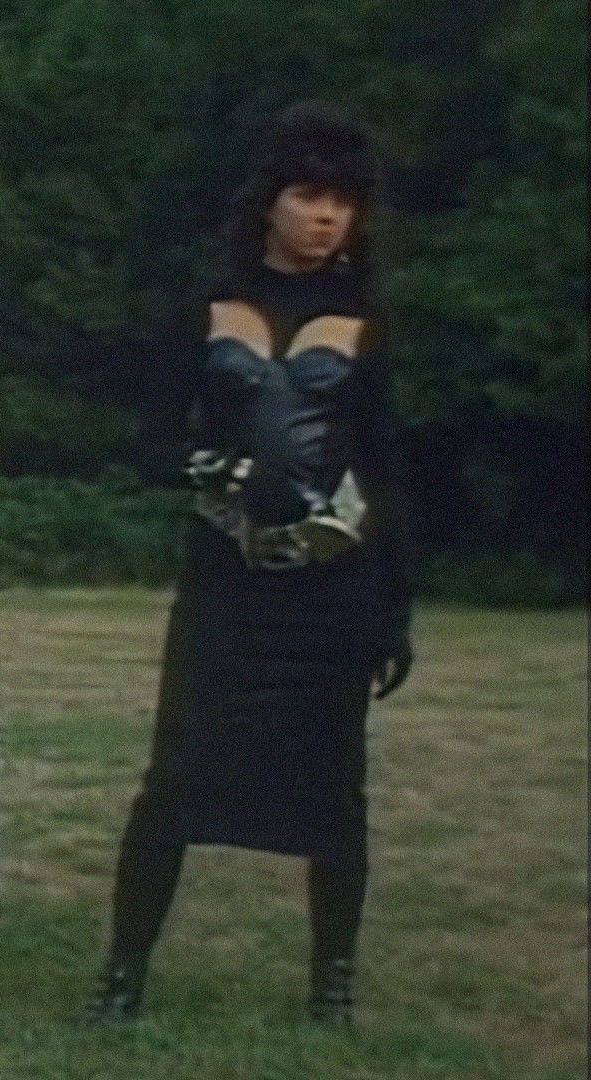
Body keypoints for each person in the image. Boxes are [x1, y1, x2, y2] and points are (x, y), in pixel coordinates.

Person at [81, 100, 415, 1027]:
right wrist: (211, 470)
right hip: (227, 581)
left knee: (334, 788)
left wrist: (395, 608)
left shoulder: (366, 321)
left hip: (333, 587)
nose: (326, 217)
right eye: (309, 196)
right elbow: (150, 430)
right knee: (175, 780)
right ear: (271, 200)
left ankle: (332, 988)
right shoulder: (204, 309)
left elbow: (385, 465)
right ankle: (122, 978)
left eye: (343, 202)